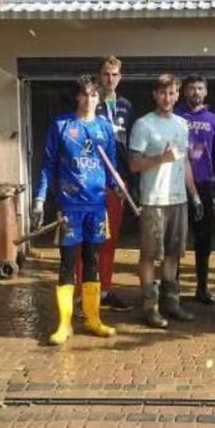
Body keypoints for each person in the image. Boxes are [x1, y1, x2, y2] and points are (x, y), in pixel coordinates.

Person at [32, 75, 126, 345]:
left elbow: (110, 169)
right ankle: (64, 324)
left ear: (100, 98)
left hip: (97, 206)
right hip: (70, 207)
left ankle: (94, 319)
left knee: (93, 263)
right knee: (67, 264)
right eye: (85, 94)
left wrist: (117, 186)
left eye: (94, 95)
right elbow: (48, 165)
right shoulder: (61, 125)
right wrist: (40, 199)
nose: (89, 99)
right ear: (77, 96)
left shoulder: (105, 128)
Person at [128, 74, 203, 328]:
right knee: (149, 255)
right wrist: (161, 158)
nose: (167, 98)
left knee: (173, 254)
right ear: (154, 94)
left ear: (178, 94)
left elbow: (184, 161)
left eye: (172, 93)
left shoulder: (182, 124)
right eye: (163, 93)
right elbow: (134, 163)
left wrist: (194, 195)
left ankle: (172, 304)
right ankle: (150, 307)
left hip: (178, 199)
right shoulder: (143, 125)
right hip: (154, 200)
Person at [79, 56, 136, 310]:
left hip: (117, 181)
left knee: (109, 239)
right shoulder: (91, 103)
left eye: (114, 74)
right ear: (99, 76)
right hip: (91, 181)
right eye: (105, 74)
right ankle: (82, 293)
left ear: (120, 77)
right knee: (85, 239)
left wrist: (128, 181)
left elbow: (130, 145)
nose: (110, 79)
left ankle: (105, 291)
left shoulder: (126, 106)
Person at [176, 74, 215, 304]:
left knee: (203, 238)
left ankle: (202, 287)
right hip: (176, 185)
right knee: (175, 239)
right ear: (184, 92)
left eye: (200, 88)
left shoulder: (213, 120)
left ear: (205, 92)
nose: (195, 92)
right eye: (191, 88)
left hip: (205, 184)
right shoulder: (176, 117)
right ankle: (172, 287)